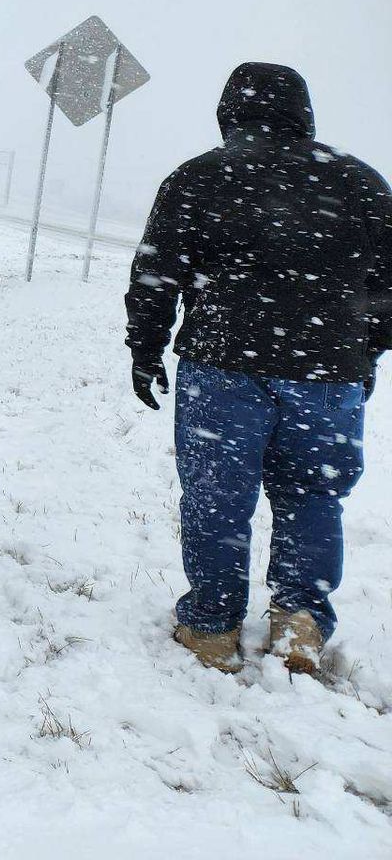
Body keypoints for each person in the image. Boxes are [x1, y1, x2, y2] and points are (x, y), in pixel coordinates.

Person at [125, 62, 390, 675]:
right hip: (327, 375)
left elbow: (156, 275)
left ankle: (213, 625)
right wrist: (364, 354)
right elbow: (389, 288)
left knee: (218, 495)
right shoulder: (360, 184)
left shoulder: (199, 179)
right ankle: (299, 619)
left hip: (224, 366)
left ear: (229, 114)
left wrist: (145, 349)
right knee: (314, 494)